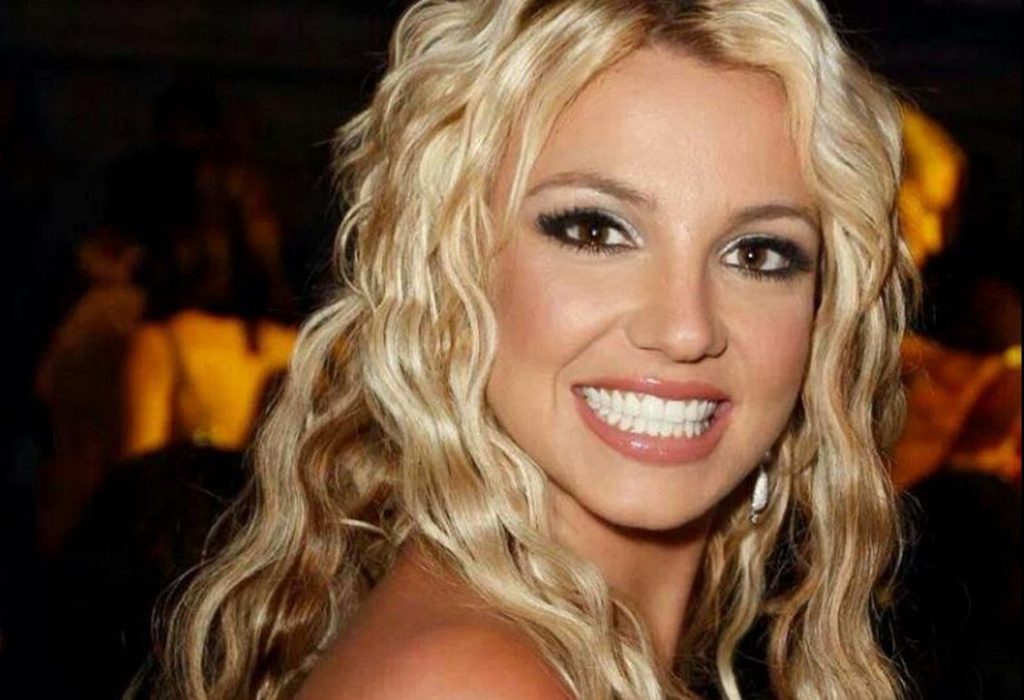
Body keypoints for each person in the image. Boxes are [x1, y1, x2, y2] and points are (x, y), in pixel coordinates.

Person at [154, 1, 917, 698]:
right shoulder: (469, 681)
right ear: (453, 268)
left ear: (826, 312)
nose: (686, 328)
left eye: (757, 254)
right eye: (594, 230)